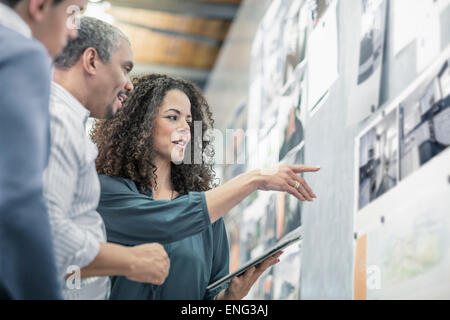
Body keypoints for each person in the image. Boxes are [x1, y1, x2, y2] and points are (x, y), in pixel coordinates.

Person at [92, 74, 321, 299]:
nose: (185, 128)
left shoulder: (210, 219)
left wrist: (229, 298)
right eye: (173, 117)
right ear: (141, 124)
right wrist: (253, 179)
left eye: (189, 121)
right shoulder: (107, 192)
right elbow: (165, 221)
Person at [44, 16, 169, 300]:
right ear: (91, 61)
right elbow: (47, 236)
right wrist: (131, 261)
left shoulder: (65, 122)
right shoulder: (57, 121)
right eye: (125, 69)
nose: (129, 85)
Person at [0, 0, 84, 299]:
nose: (74, 33)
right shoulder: (22, 54)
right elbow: (17, 202)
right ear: (40, 6)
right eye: (73, 13)